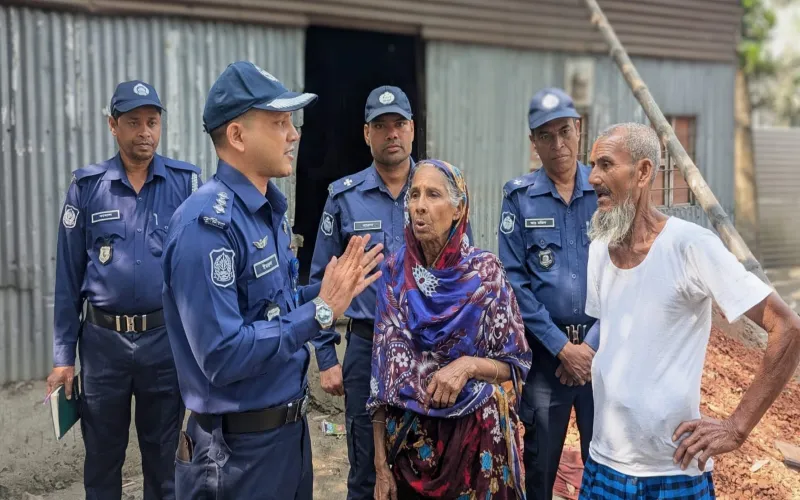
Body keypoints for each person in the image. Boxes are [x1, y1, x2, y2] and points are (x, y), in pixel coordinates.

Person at [160, 61, 384, 499]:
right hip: (237, 455)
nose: (294, 134)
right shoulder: (206, 227)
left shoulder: (266, 212)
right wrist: (321, 312)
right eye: (279, 122)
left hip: (287, 438)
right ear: (238, 136)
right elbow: (222, 355)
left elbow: (272, 306)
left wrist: (325, 289)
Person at [581, 122, 800, 499]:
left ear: (643, 172)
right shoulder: (599, 247)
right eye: (592, 165)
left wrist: (736, 428)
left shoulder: (690, 246)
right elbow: (612, 335)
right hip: (604, 464)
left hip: (672, 469)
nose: (592, 177)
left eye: (604, 164)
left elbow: (787, 327)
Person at [47, 80, 200, 499]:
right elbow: (67, 278)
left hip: (162, 343)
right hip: (103, 346)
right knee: (102, 458)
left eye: (152, 122)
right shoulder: (87, 188)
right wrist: (64, 357)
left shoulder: (186, 186)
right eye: (133, 122)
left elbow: (195, 274)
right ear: (113, 125)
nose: (145, 132)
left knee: (164, 458)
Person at [369, 160, 532, 500]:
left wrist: (467, 366)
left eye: (433, 195)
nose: (420, 206)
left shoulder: (485, 274)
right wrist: (380, 466)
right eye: (414, 195)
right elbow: (382, 380)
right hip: (409, 446)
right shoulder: (395, 272)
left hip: (476, 445)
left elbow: (513, 364)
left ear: (458, 209)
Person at [308, 85, 417, 500]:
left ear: (412, 130)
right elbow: (323, 278)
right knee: (364, 471)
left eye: (399, 124)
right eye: (381, 125)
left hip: (423, 345)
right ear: (366, 134)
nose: (392, 133)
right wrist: (325, 357)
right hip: (365, 347)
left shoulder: (437, 191)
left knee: (425, 461)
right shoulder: (344, 198)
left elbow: (460, 274)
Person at [498, 87, 598, 500]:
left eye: (565, 131)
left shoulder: (605, 192)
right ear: (533, 142)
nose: (558, 145)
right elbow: (514, 282)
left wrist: (588, 349)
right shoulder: (519, 198)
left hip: (601, 358)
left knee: (606, 466)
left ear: (579, 130)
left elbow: (626, 273)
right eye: (546, 135)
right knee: (538, 471)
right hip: (544, 360)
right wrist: (562, 348)